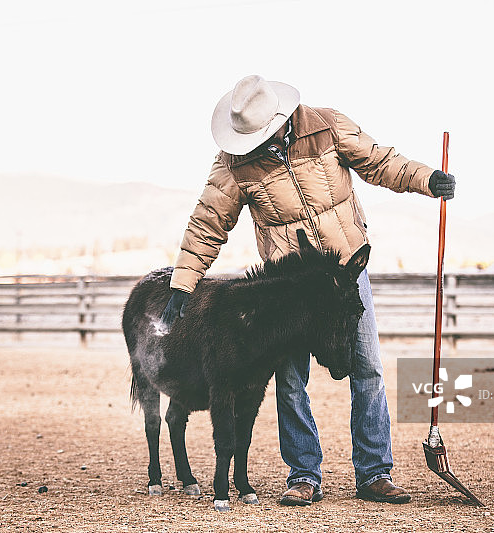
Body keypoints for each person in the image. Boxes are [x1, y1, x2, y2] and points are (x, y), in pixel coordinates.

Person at [159, 75, 455, 506]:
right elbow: (208, 222)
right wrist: (183, 283)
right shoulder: (233, 163)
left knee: (368, 367)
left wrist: (427, 179)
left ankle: (374, 472)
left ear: (279, 119)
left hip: (345, 272)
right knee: (290, 378)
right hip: (286, 288)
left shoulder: (326, 125)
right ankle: (303, 474)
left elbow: (379, 161)